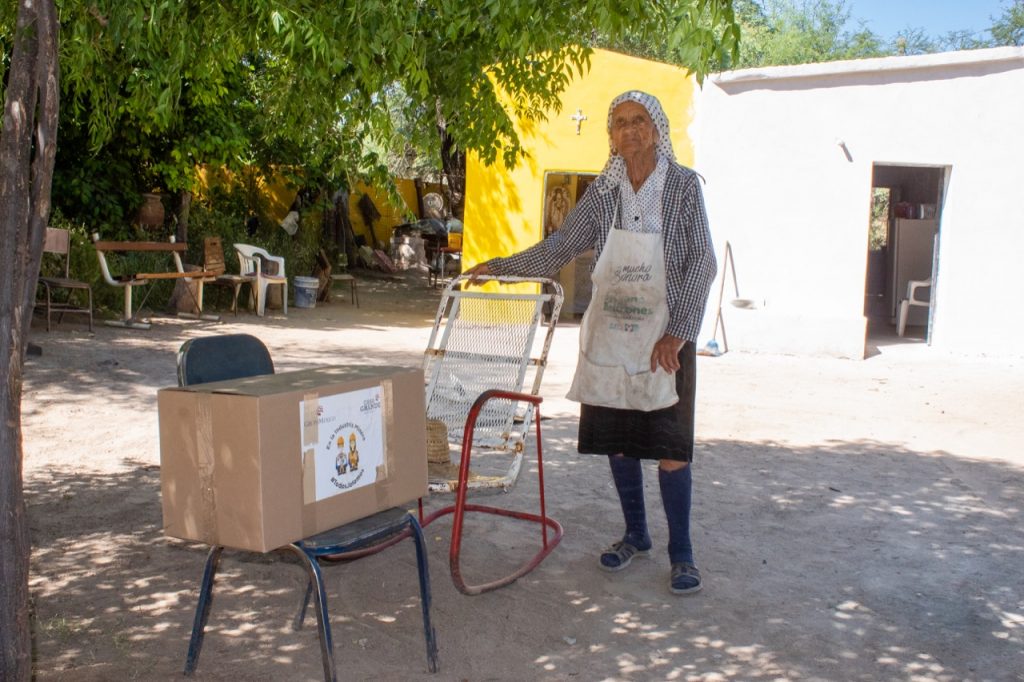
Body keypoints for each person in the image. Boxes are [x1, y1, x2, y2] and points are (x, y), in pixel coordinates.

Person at [464, 90, 717, 595]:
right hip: (613, 333)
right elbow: (561, 245)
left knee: (670, 447)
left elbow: (702, 261)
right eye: (620, 122)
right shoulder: (604, 192)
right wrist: (502, 267)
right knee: (619, 444)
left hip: (667, 335)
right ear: (611, 136)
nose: (630, 130)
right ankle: (635, 534)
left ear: (656, 130)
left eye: (639, 120)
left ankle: (682, 553)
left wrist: (679, 332)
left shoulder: (683, 186)